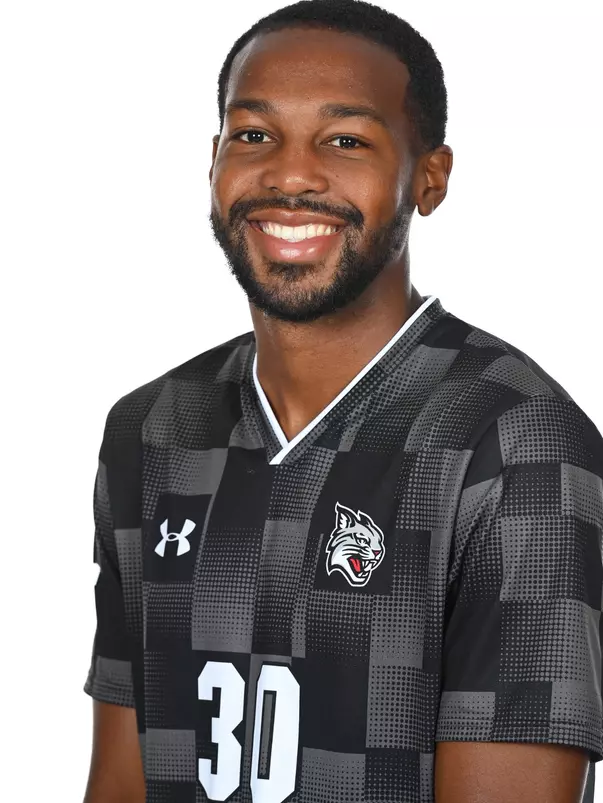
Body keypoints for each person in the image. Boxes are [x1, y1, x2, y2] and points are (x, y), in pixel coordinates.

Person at [82, 1, 603, 801]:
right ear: (213, 161)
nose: (289, 175)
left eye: (345, 140)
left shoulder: (514, 440)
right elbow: (121, 782)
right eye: (253, 135)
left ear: (428, 177)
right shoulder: (152, 428)